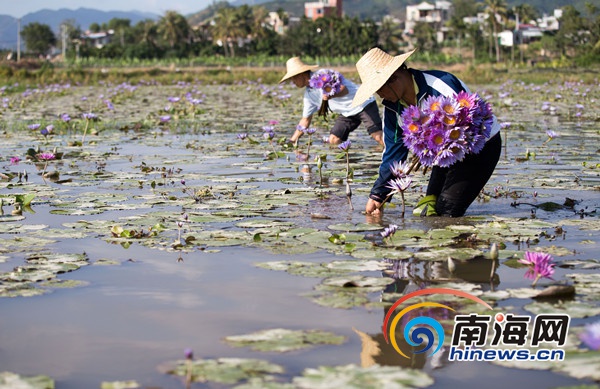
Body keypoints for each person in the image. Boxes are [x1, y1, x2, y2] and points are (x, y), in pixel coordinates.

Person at [351, 47, 502, 217]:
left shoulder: (439, 85)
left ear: (393, 77)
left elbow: (468, 127)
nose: (379, 95)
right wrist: (378, 195)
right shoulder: (393, 108)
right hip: (444, 156)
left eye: (379, 88)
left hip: (478, 148)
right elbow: (393, 154)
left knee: (447, 212)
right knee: (427, 211)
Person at [279, 57, 384, 146]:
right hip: (347, 113)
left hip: (362, 103)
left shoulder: (323, 75)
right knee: (333, 140)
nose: (292, 81)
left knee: (378, 137)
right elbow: (305, 120)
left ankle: (393, 154)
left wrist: (330, 95)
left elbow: (344, 89)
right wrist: (293, 140)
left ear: (301, 74)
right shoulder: (309, 96)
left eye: (293, 78)